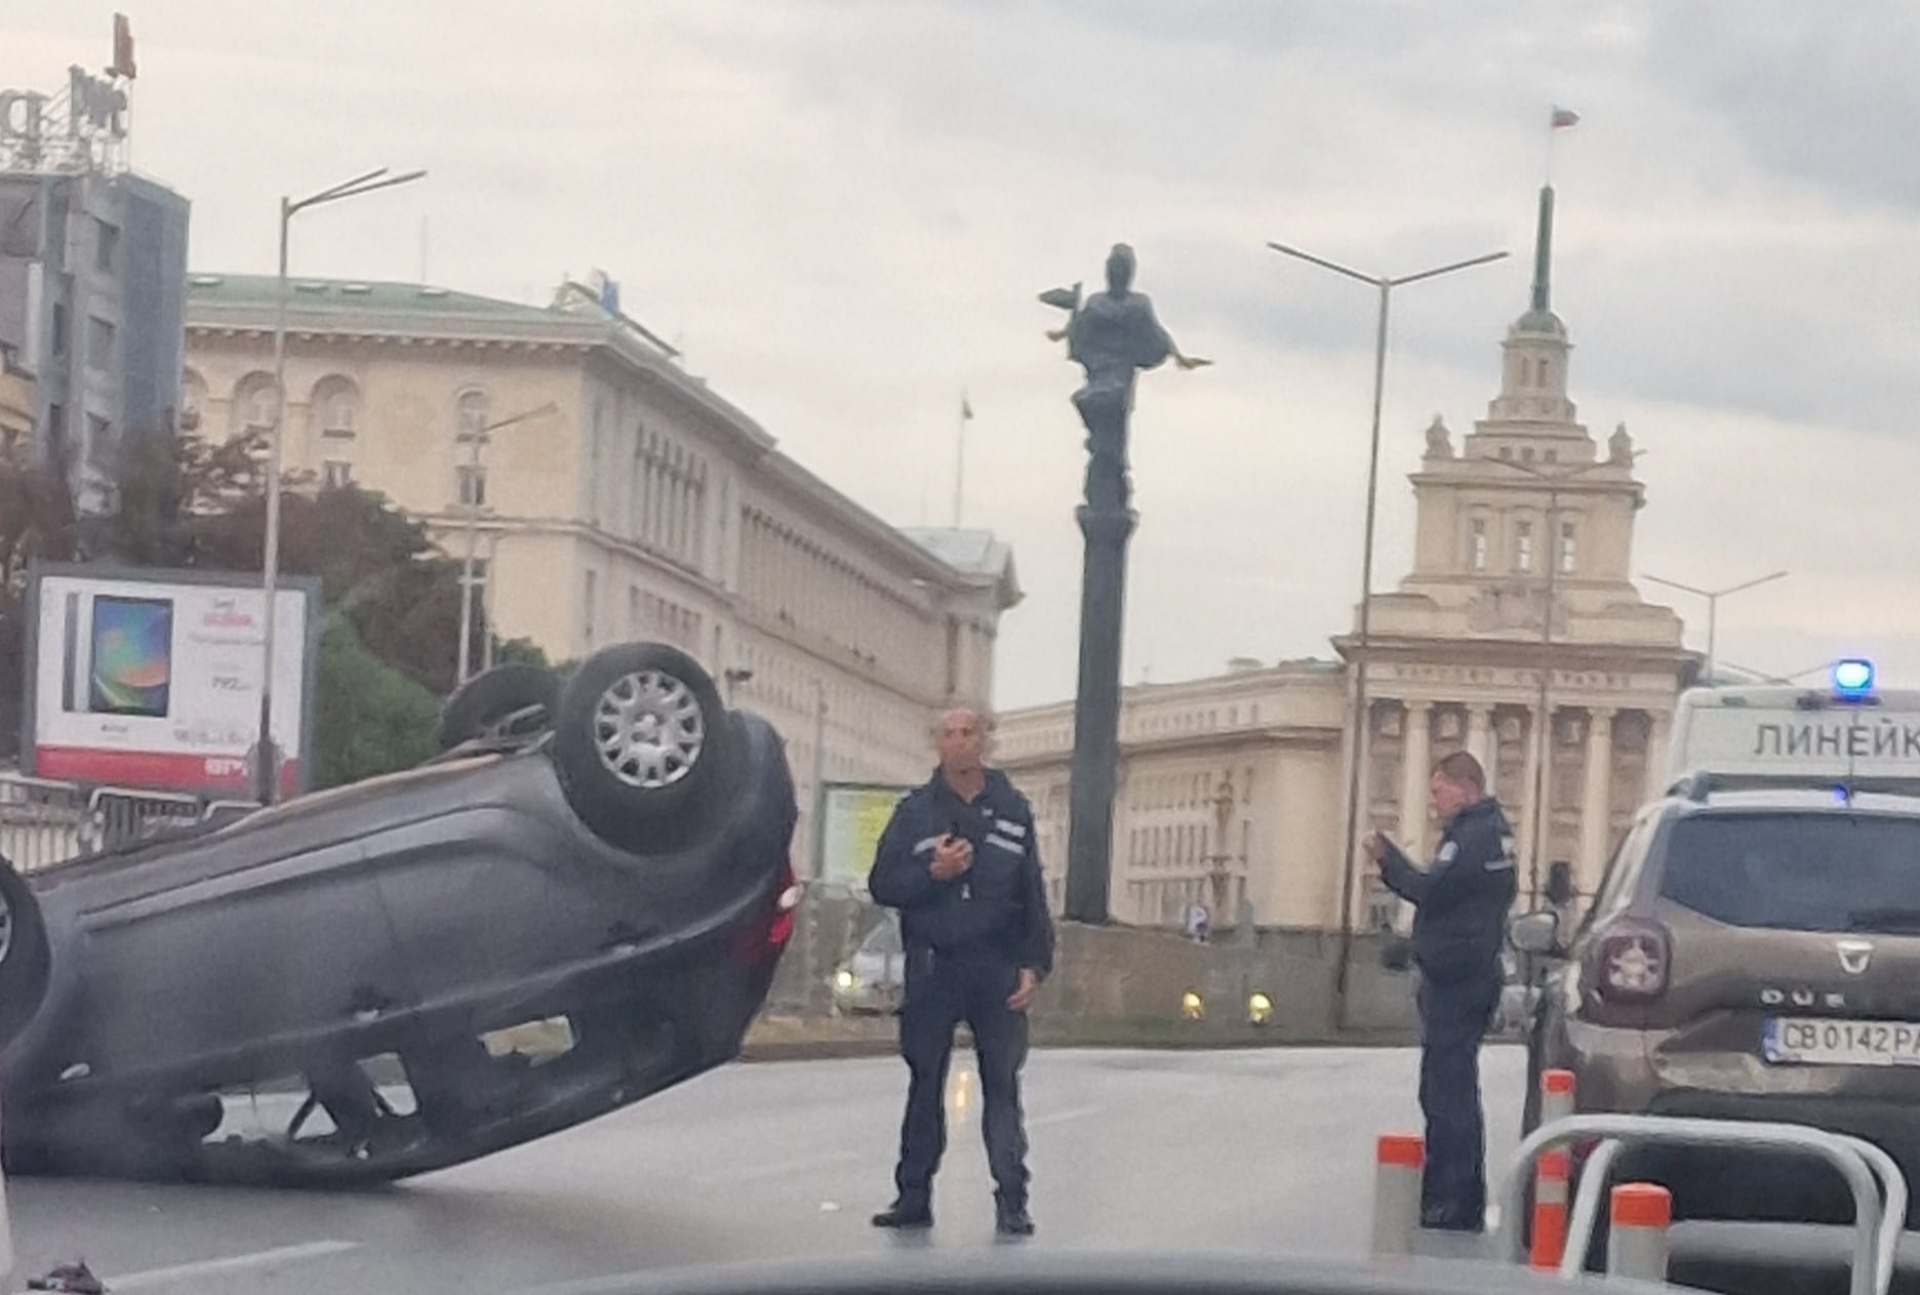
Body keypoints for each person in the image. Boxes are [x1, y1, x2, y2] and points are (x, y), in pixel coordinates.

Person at [868, 708, 1054, 1238]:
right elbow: (883, 883)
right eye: (947, 735)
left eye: (967, 733)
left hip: (995, 967)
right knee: (925, 1081)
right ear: (937, 745)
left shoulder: (1012, 810)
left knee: (1002, 1083)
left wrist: (1032, 964)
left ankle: (1012, 1200)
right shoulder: (915, 812)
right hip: (935, 965)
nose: (958, 743)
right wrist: (934, 873)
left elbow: (1031, 893)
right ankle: (913, 1196)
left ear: (984, 741)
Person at [1365, 750, 1517, 1232]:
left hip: (1458, 980)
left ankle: (1454, 1199)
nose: (1434, 802)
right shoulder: (1491, 833)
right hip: (1464, 974)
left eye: (1438, 791)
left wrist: (1388, 858)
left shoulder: (1473, 837)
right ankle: (1449, 1194)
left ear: (1464, 785)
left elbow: (1430, 889)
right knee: (1447, 1088)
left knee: (1447, 1093)